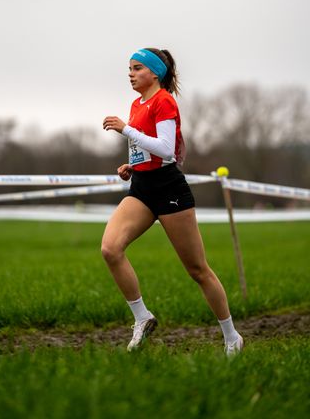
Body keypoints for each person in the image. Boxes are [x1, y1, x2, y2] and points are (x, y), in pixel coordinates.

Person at [102, 47, 243, 355]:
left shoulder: (164, 101)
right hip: (142, 188)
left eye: (137, 68)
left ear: (155, 73)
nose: (131, 73)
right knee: (110, 249)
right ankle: (142, 317)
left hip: (169, 190)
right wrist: (132, 165)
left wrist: (125, 129)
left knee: (197, 270)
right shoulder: (136, 103)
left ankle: (232, 337)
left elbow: (166, 149)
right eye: (129, 68)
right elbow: (147, 147)